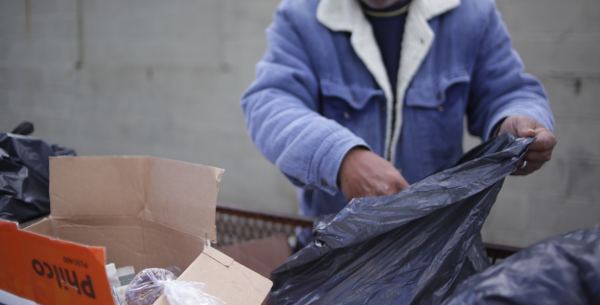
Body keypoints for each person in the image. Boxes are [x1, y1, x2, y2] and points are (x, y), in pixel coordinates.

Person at [240, 0, 557, 218]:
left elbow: (507, 91)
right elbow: (269, 103)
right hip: (334, 252)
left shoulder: (472, 13)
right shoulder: (302, 15)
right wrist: (340, 159)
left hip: (435, 250)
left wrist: (516, 122)